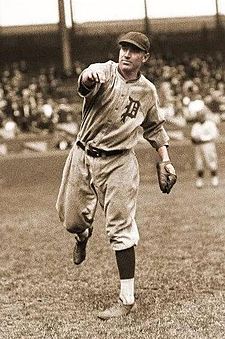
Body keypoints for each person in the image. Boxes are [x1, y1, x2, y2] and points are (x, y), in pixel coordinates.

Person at [56, 31, 177, 320]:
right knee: (71, 220)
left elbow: (154, 127)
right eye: (123, 48)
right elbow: (85, 82)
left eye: (134, 51)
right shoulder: (105, 73)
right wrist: (88, 76)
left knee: (121, 229)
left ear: (144, 58)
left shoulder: (147, 91)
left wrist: (166, 160)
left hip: (120, 163)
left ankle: (126, 299)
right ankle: (83, 234)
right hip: (83, 155)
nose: (126, 54)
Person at [191, 102, 219, 188]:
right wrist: (196, 139)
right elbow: (193, 136)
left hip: (208, 145)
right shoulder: (196, 125)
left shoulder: (210, 124)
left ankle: (214, 178)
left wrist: (202, 138)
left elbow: (214, 135)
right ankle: (200, 180)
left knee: (211, 161)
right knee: (199, 163)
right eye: (199, 115)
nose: (200, 117)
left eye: (202, 115)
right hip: (198, 146)